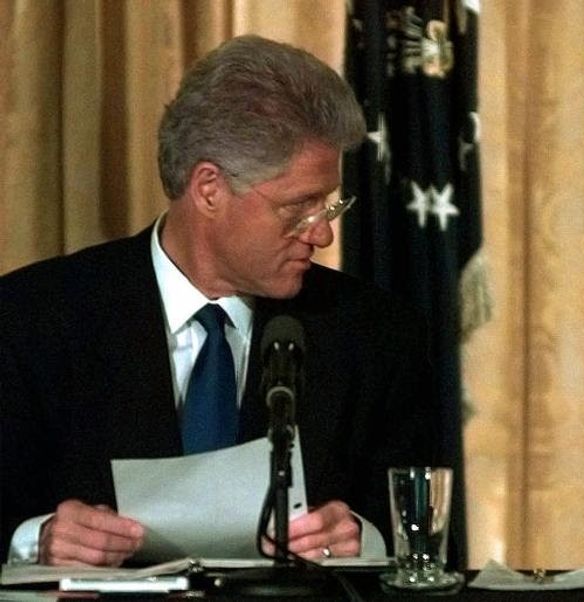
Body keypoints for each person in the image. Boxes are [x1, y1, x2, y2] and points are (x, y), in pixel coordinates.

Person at [0, 35, 439, 566]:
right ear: (209, 188)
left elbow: (424, 539)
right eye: (299, 207)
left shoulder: (377, 336)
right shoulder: (32, 319)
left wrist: (362, 541)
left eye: (330, 205)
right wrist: (36, 539)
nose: (322, 235)